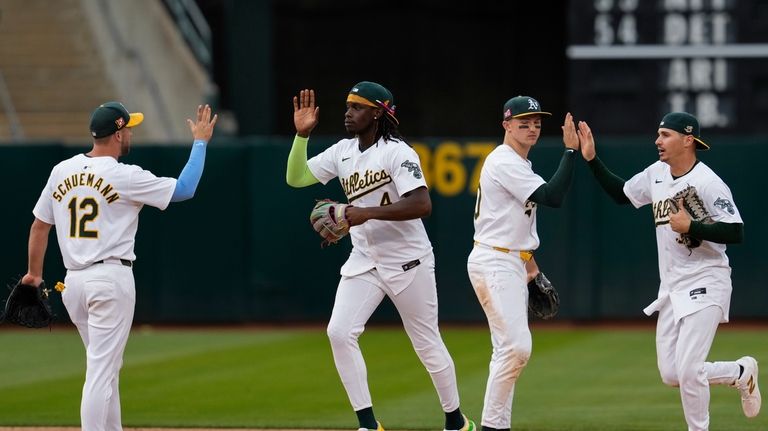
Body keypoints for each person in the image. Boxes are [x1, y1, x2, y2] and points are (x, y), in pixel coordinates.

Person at [286, 82, 475, 431]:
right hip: (364, 259)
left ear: (377, 112)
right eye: (346, 106)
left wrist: (366, 213)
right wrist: (301, 136)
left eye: (357, 107)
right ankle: (368, 424)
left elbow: (422, 204)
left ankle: (455, 421)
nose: (348, 112)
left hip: (408, 260)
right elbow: (296, 177)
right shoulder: (342, 152)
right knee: (339, 333)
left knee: (426, 343)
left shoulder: (397, 152)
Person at [22, 101, 217, 431]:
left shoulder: (62, 170)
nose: (131, 134)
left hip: (73, 285)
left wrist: (34, 274)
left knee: (106, 367)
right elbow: (185, 189)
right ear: (117, 133)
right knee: (101, 371)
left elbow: (40, 225)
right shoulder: (125, 175)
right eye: (128, 128)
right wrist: (200, 142)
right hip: (110, 280)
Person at [577, 111, 760, 430]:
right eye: (658, 134)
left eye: (665, 135)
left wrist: (694, 225)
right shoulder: (657, 173)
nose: (657, 140)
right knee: (672, 374)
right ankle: (741, 373)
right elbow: (623, 195)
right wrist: (591, 159)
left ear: (688, 140)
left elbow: (736, 231)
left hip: (707, 279)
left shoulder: (707, 182)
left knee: (689, 370)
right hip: (672, 289)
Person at [467, 96, 579, 431]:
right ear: (506, 125)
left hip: (510, 260)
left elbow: (514, 226)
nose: (532, 128)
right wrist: (571, 152)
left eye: (536, 123)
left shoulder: (519, 163)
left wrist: (531, 269)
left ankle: (497, 426)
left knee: (507, 351)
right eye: (523, 122)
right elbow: (553, 197)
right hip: (495, 261)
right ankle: (492, 426)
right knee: (516, 348)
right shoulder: (505, 162)